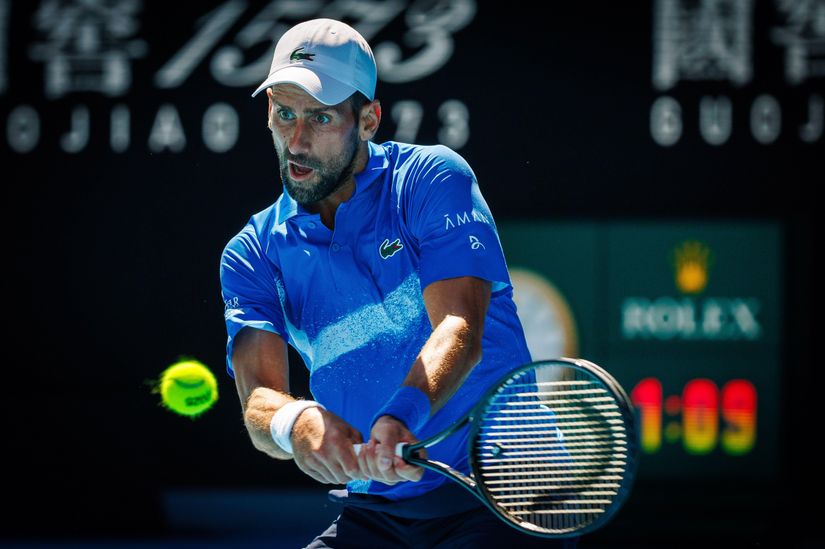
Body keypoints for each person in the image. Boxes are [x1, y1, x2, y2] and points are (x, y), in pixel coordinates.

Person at [219, 18, 577, 548]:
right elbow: (259, 403)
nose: (296, 141)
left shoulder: (431, 180)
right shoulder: (252, 254)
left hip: (510, 491)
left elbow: (459, 327)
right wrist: (296, 423)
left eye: (320, 118)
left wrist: (399, 416)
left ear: (368, 119)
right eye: (284, 113)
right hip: (381, 509)